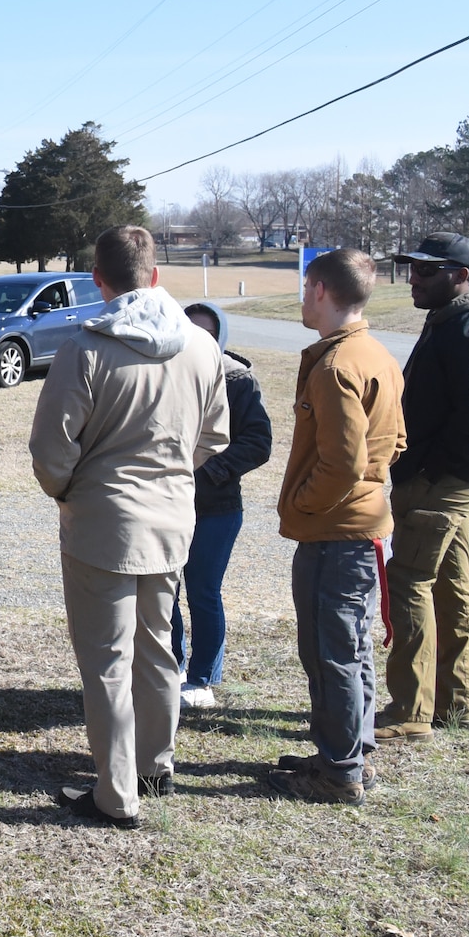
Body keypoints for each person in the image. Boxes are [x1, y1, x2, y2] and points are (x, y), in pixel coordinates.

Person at [30, 225, 228, 829]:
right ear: (156, 275)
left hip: (102, 524)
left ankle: (116, 794)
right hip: (171, 521)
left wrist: (73, 492)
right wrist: (168, 476)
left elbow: (49, 449)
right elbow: (214, 436)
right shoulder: (202, 347)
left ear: (98, 278)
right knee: (158, 649)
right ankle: (154, 765)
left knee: (107, 660)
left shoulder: (86, 347)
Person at [269, 249, 405, 806]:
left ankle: (339, 772)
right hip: (359, 527)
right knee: (348, 648)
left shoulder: (336, 366)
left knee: (334, 652)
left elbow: (345, 462)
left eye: (305, 289)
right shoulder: (376, 353)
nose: (303, 298)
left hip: (339, 533)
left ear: (321, 290)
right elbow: (394, 443)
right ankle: (349, 752)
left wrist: (304, 501)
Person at [376, 233, 469, 742]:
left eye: (426, 271)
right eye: (411, 269)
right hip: (441, 477)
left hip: (443, 480)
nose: (413, 279)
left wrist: (433, 475)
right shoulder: (453, 320)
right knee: (447, 583)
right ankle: (456, 705)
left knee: (408, 580)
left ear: (459, 275)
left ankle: (410, 712)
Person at [172, 302, 273, 709]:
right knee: (164, 591)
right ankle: (172, 667)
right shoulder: (167, 371)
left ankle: (202, 678)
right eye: (189, 330)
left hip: (217, 509)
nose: (197, 340)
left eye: (206, 333)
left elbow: (258, 443)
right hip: (168, 503)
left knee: (203, 591)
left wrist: (212, 470)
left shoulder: (238, 380)